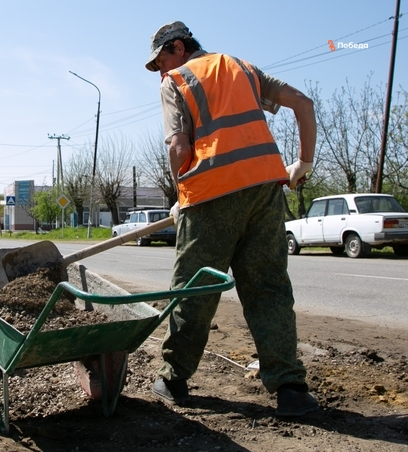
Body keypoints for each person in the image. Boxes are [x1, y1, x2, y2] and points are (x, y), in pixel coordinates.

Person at [145, 21, 318, 416]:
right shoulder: (241, 67)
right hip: (264, 191)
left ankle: (173, 378)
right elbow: (304, 104)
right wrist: (303, 163)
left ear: (178, 47)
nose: (159, 71)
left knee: (194, 289)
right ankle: (290, 389)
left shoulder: (176, 80)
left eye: (161, 60)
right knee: (268, 289)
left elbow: (177, 145)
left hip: (209, 196)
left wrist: (181, 194)